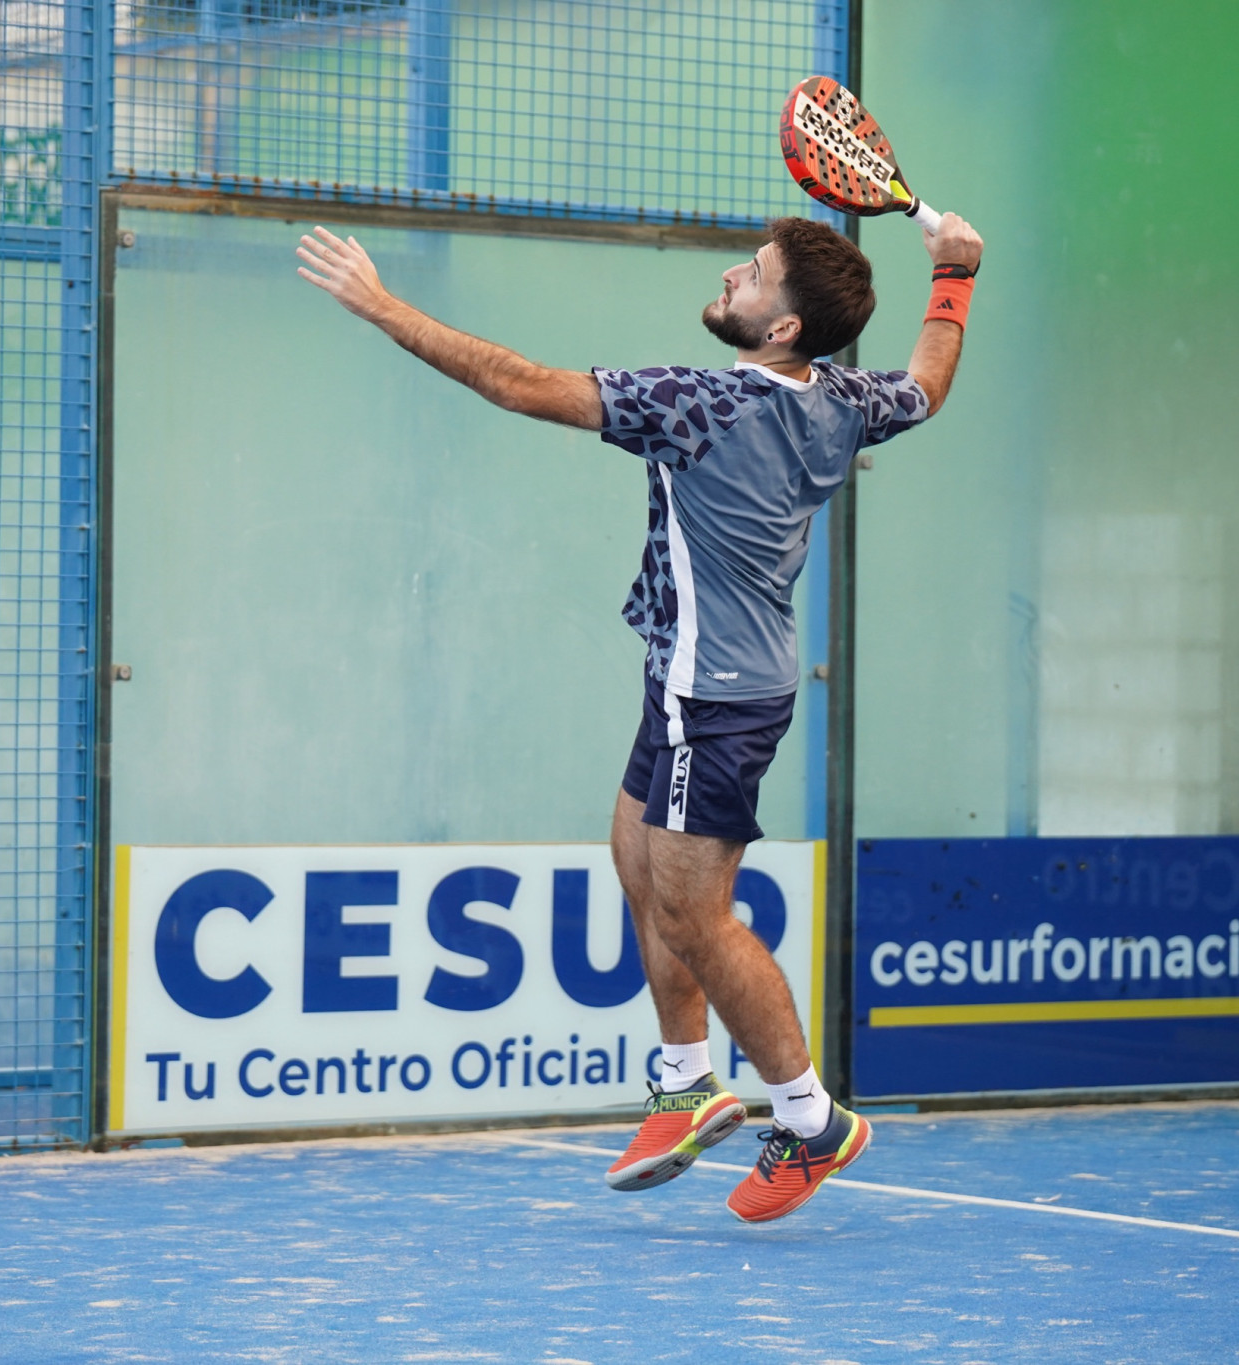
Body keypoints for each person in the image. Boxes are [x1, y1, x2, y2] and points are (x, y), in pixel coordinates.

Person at [297, 210, 983, 1222]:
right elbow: (926, 383)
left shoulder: (696, 404)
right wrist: (954, 274)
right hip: (695, 679)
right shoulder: (843, 401)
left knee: (694, 917)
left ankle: (810, 1119)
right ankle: (685, 1079)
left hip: (715, 698)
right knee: (634, 857)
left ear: (783, 329)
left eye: (754, 275)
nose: (732, 275)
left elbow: (514, 383)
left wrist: (382, 306)